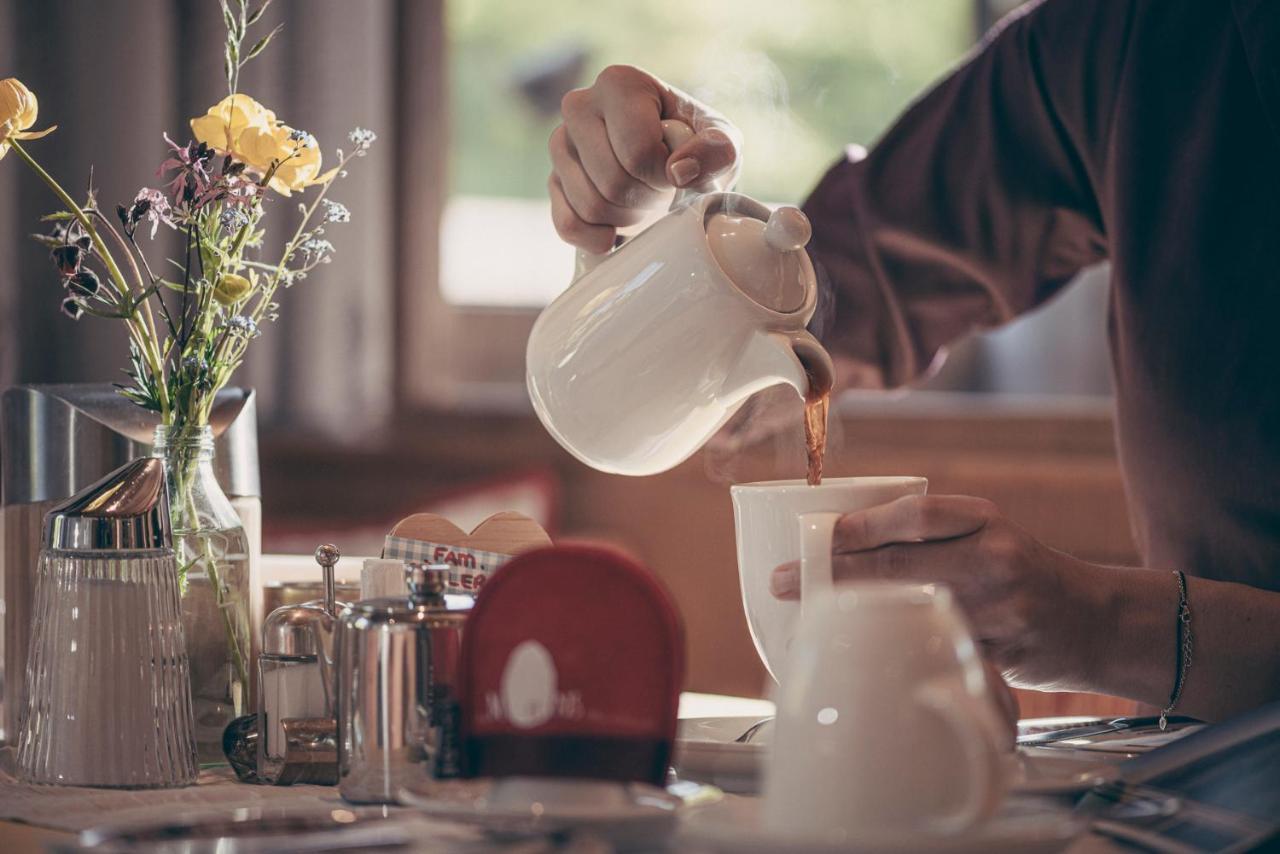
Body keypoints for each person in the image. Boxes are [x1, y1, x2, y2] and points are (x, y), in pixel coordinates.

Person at [546, 0, 1280, 723]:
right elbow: (853, 272)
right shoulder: (1145, 35)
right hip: (1195, 783)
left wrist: (1106, 622)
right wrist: (673, 239)